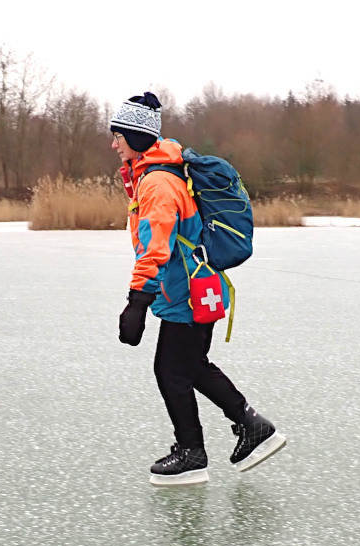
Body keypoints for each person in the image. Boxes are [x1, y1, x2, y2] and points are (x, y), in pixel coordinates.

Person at [110, 92, 287, 486]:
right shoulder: (156, 174)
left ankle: (193, 452)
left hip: (187, 292)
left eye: (118, 134)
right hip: (190, 288)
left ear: (137, 136)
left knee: (172, 370)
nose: (114, 143)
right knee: (188, 366)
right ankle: (248, 427)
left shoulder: (157, 183)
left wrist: (136, 301)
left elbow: (156, 245)